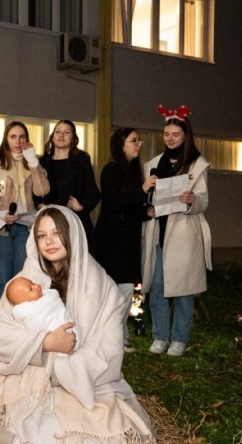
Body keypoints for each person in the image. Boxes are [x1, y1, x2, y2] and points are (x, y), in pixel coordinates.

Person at [0, 205, 158, 444]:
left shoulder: (103, 287)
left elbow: (108, 350)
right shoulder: (22, 283)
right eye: (42, 235)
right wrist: (45, 344)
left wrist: (62, 365)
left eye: (57, 233)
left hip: (83, 382)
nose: (49, 242)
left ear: (73, 234)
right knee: (22, 432)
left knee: (98, 439)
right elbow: (1, 336)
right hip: (32, 379)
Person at [142, 105, 212, 357]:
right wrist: (148, 204)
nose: (170, 139)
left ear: (185, 136)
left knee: (184, 288)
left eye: (175, 134)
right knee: (158, 286)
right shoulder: (153, 164)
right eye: (166, 134)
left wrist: (192, 200)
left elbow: (203, 201)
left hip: (183, 235)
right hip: (159, 234)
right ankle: (160, 336)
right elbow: (146, 199)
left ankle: (180, 338)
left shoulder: (196, 165)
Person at [0, 121, 50, 346]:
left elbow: (42, 190)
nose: (18, 141)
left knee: (20, 281)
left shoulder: (31, 162)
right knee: (0, 281)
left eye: (22, 137)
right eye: (13, 136)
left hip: (25, 226)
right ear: (6, 138)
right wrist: (0, 213)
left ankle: (16, 335)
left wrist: (33, 161)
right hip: (0, 228)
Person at [95, 128, 157, 353]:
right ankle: (113, 336)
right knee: (116, 289)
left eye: (139, 140)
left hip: (129, 240)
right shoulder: (110, 170)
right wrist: (142, 190)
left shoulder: (134, 171)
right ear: (120, 145)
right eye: (133, 140)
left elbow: (132, 206)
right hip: (111, 240)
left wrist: (145, 212)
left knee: (128, 289)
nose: (138, 144)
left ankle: (119, 334)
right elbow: (114, 203)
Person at [34, 120, 101, 256]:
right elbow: (35, 191)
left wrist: (81, 206)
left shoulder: (81, 160)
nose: (61, 135)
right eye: (58, 132)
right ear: (52, 136)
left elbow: (93, 192)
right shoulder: (42, 162)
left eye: (67, 132)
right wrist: (40, 205)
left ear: (73, 138)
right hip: (49, 222)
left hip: (75, 220)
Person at [5, 277, 77, 350]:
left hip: (65, 325)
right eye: (31, 289)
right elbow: (21, 329)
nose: (36, 286)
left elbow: (56, 306)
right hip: (51, 337)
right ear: (23, 302)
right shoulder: (22, 311)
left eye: (33, 283)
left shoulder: (48, 295)